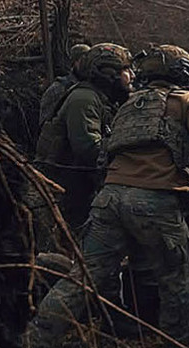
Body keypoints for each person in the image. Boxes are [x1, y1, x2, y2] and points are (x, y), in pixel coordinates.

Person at [24, 44, 189, 348]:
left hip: (110, 199)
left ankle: (31, 344)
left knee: (82, 278)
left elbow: (106, 150)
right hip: (156, 199)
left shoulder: (129, 105)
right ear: (184, 73)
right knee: (174, 278)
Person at [34, 43, 132, 238]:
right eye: (126, 70)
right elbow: (88, 149)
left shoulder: (100, 98)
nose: (132, 76)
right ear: (108, 72)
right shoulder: (84, 98)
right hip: (65, 190)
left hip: (78, 187)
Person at [38, 43, 92, 123]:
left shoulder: (93, 86)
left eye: (89, 61)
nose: (87, 65)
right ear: (74, 62)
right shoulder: (59, 88)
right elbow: (46, 123)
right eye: (83, 60)